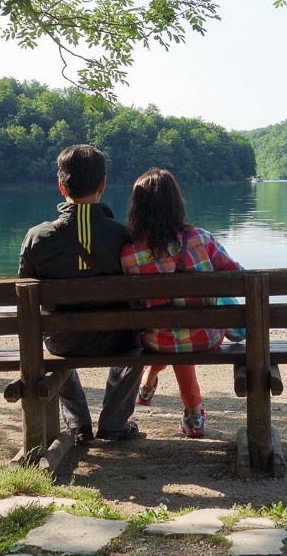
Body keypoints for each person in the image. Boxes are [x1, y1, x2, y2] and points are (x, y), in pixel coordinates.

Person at [18, 144, 142, 445]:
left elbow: (24, 293)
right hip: (117, 340)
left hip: (61, 341)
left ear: (61, 186)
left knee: (54, 343)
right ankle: (113, 424)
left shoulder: (37, 237)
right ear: (103, 185)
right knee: (137, 347)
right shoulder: (123, 235)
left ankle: (78, 425)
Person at [120, 168, 242, 438]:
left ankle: (151, 381)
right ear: (177, 203)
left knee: (171, 329)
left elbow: (132, 303)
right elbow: (239, 277)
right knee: (184, 328)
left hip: (155, 340)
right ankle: (193, 415)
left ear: (136, 207)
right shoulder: (202, 239)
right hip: (206, 337)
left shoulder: (129, 254)